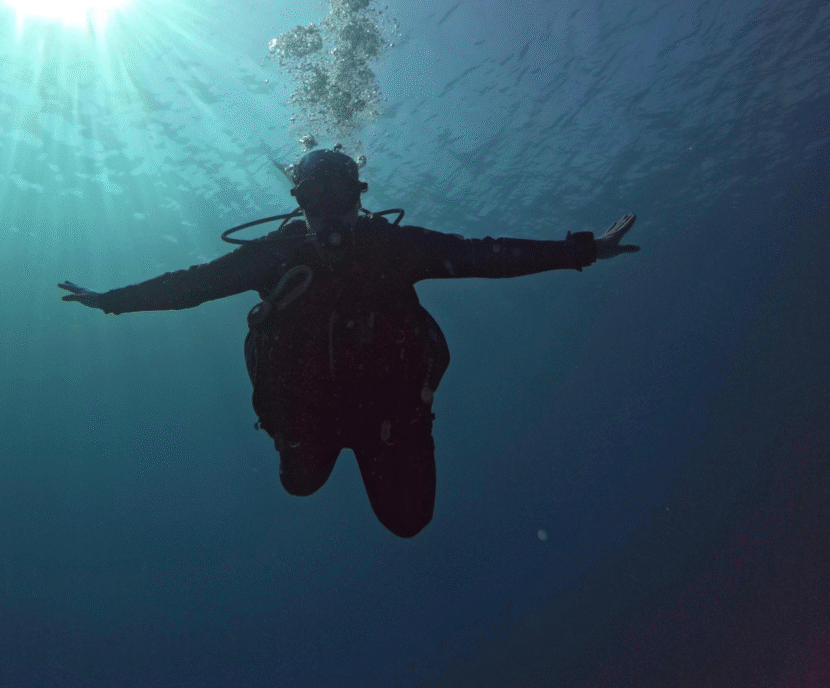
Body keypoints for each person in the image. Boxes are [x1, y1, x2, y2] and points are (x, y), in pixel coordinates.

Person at [59, 147, 640, 538]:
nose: (331, 213)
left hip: (389, 414)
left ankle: (408, 412)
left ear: (360, 196)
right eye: (317, 200)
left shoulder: (394, 248)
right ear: (300, 204)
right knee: (300, 485)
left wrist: (581, 250)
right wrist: (112, 299)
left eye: (341, 197)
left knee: (409, 522)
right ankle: (288, 429)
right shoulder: (277, 254)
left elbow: (482, 255)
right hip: (307, 414)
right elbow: (194, 285)